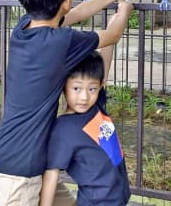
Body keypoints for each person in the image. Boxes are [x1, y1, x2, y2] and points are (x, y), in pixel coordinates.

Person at [0, 0, 136, 206]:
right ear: (65, 2)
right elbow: (112, 35)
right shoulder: (61, 42)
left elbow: (76, 13)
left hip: (21, 158)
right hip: (19, 172)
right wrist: (124, 10)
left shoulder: (23, 29)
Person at [40, 24, 130, 206]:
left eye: (92, 88)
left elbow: (107, 48)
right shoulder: (62, 130)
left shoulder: (95, 105)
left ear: (100, 85)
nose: (84, 96)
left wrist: (118, 19)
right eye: (76, 88)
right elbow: (51, 174)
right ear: (63, 85)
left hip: (118, 198)